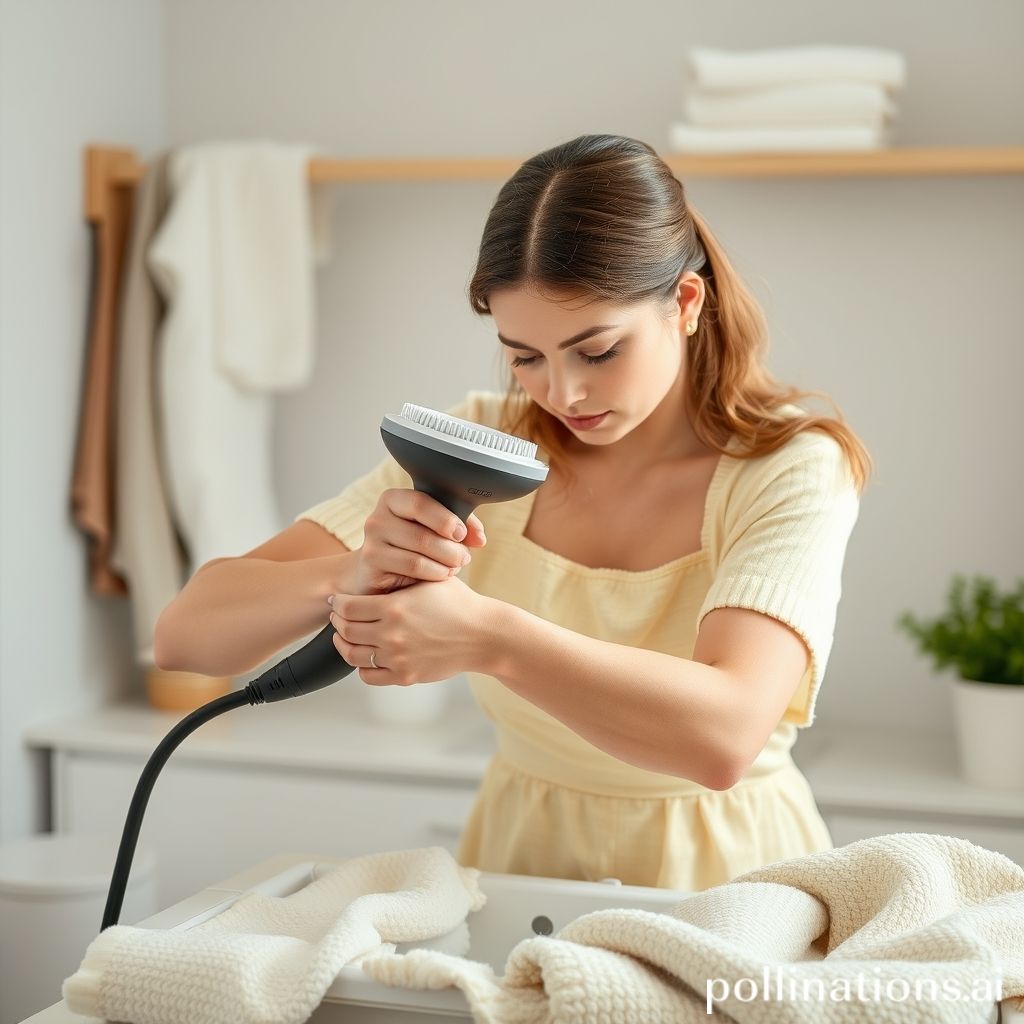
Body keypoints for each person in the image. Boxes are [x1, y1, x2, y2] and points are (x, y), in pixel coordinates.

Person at [154, 134, 870, 892]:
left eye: (597, 352)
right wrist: (353, 569)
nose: (562, 395)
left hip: (729, 882)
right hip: (517, 866)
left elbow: (723, 737)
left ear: (685, 304)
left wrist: (491, 639)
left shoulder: (787, 468)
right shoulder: (480, 449)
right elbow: (185, 634)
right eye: (526, 356)